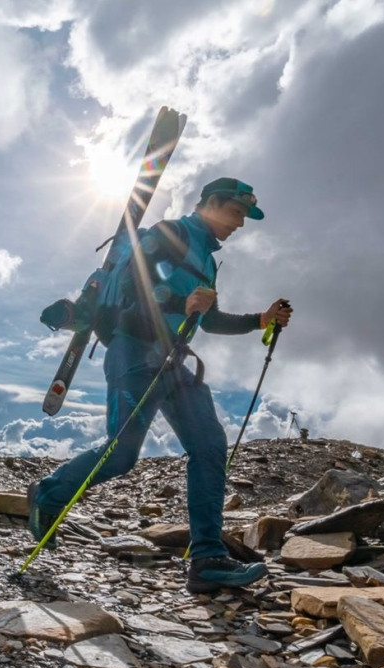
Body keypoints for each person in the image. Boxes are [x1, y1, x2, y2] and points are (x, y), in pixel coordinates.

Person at [27, 177, 293, 594]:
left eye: (244, 217)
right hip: (132, 351)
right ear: (210, 203)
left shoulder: (207, 260)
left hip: (172, 361)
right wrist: (177, 303)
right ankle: (47, 494)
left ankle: (206, 560)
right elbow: (133, 295)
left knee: (208, 447)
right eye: (236, 212)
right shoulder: (169, 234)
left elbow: (209, 320)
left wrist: (260, 320)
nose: (240, 223)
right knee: (120, 455)